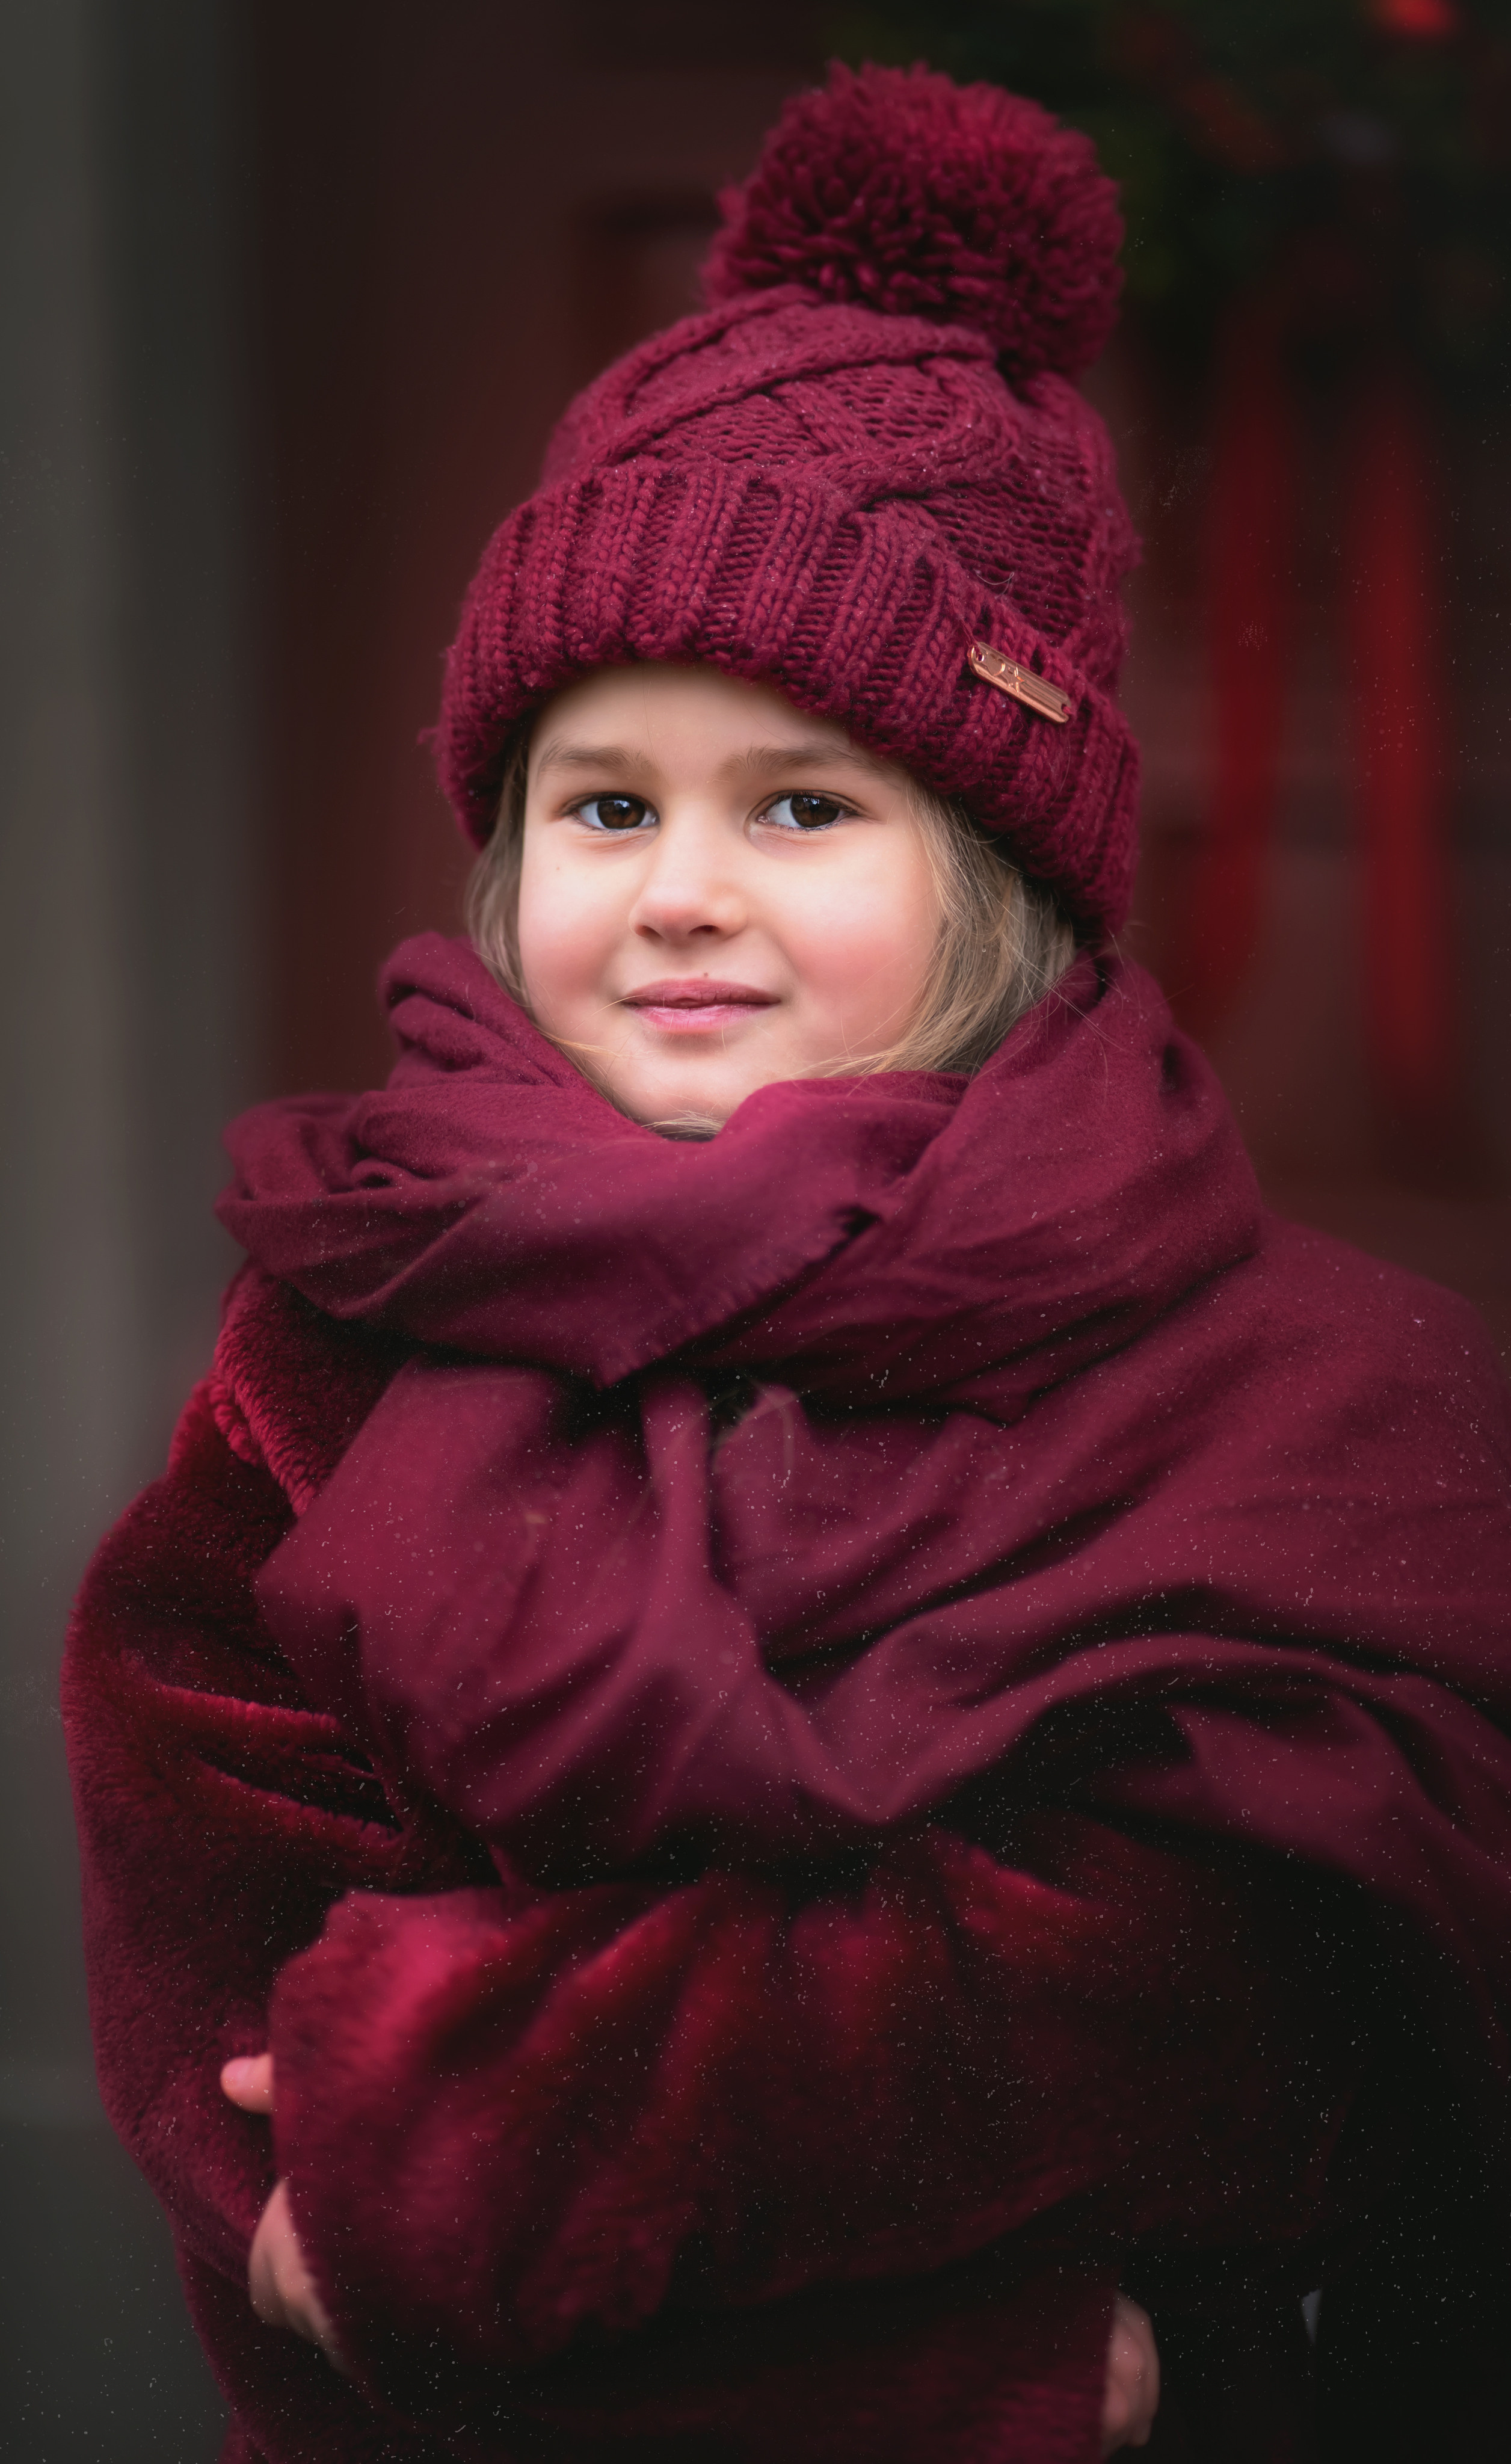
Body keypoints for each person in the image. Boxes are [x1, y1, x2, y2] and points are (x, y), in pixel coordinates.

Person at [63, 62, 1511, 2464]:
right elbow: (269, 2101)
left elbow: (1272, 1992)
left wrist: (520, 2127)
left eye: (805, 805)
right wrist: (960, 2359)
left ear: (999, 873)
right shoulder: (338, 1336)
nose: (681, 891)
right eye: (606, 803)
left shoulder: (1299, 1391)